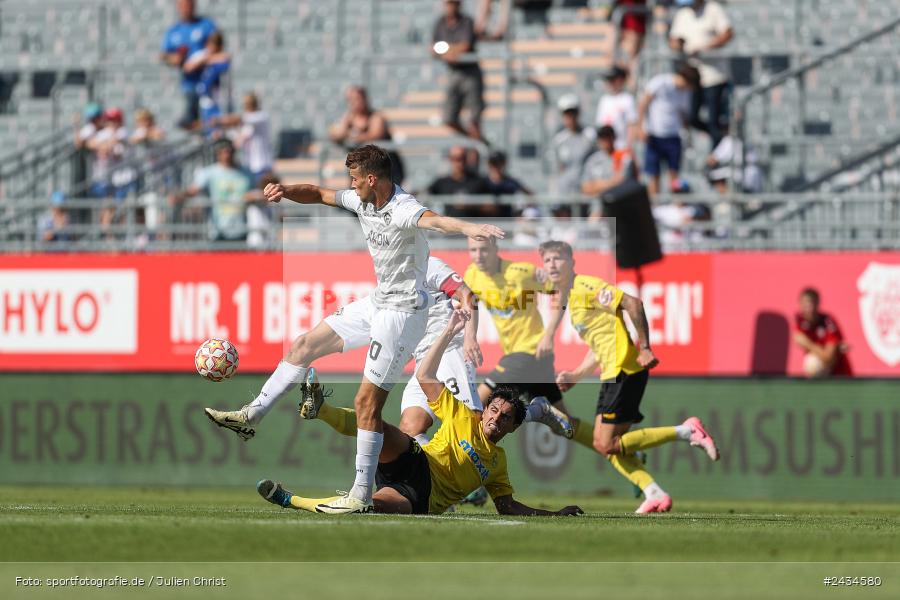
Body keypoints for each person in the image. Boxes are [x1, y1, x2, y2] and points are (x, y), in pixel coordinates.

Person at [205, 144, 504, 514]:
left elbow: (437, 220)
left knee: (367, 403)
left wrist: (472, 228)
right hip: (377, 302)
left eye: (354, 178)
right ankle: (253, 414)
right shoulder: (362, 201)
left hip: (403, 315)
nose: (351, 184)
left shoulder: (403, 208)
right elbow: (317, 193)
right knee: (304, 344)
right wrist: (283, 190)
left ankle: (360, 494)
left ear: (372, 179)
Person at [259, 309, 584, 517]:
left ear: (513, 428)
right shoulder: (464, 415)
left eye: (504, 419)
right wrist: (447, 332)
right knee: (379, 425)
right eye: (493, 411)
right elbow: (426, 377)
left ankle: (291, 501)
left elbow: (508, 507)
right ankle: (321, 409)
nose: (495, 420)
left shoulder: (498, 464)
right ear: (485, 410)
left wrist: (555, 513)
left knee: (371, 506)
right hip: (416, 459)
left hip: (420, 494)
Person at [540, 240, 720, 513]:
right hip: (612, 371)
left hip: (625, 368)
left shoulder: (586, 287)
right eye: (547, 260)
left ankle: (687, 431)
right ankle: (654, 492)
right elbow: (599, 345)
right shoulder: (569, 299)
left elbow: (633, 303)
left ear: (571, 262)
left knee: (607, 443)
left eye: (558, 258)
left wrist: (645, 347)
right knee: (606, 445)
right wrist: (576, 374)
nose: (552, 265)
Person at [463, 237, 573, 438]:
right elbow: (470, 301)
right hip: (530, 358)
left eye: (484, 249)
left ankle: (538, 412)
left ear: (495, 248)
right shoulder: (472, 274)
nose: (478, 255)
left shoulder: (521, 272)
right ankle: (610, 445)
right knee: (566, 426)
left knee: (475, 407)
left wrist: (549, 335)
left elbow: (561, 290)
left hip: (528, 352)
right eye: (473, 250)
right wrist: (470, 336)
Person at [669, 0, 734, 148]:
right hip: (693, 77)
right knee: (692, 118)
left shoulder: (713, 9)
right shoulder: (683, 14)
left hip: (714, 76)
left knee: (714, 120)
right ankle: (722, 140)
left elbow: (727, 33)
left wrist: (705, 47)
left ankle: (718, 154)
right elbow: (673, 39)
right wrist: (677, 44)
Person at [168, 139, 255, 242]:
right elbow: (193, 190)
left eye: (228, 151)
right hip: (217, 229)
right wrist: (180, 196)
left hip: (242, 227)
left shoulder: (247, 173)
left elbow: (256, 191)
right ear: (217, 154)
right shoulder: (209, 172)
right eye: (222, 152)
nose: (226, 155)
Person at [637, 63, 699, 196]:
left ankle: (676, 206)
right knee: (654, 174)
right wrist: (641, 127)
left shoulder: (685, 92)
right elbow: (643, 104)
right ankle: (654, 206)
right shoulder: (660, 82)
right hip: (654, 135)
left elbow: (683, 114)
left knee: (674, 173)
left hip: (673, 136)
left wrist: (688, 134)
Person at [433, 0, 485, 141]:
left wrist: (446, 51)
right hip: (453, 73)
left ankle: (477, 149)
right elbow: (433, 48)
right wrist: (451, 53)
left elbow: (465, 46)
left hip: (470, 73)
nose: (451, 6)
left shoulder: (467, 21)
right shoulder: (440, 23)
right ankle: (475, 142)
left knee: (474, 119)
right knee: (449, 118)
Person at [329, 86, 404, 185]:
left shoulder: (376, 116)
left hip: (384, 168)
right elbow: (336, 133)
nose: (354, 103)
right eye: (350, 100)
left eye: (357, 99)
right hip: (362, 169)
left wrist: (352, 137)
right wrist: (341, 134)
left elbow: (375, 134)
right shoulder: (349, 117)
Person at [160, 0, 217, 130]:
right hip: (188, 82)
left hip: (209, 80)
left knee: (209, 117)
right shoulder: (174, 30)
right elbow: (164, 54)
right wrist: (174, 59)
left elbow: (216, 46)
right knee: (191, 119)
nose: (187, 8)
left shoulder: (206, 25)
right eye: (183, 5)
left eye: (189, 4)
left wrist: (199, 61)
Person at [793, 288, 853, 378]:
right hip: (819, 376)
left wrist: (807, 343)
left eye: (812, 303)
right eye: (805, 304)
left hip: (839, 375)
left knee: (813, 362)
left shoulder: (828, 323)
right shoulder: (800, 322)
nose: (809, 308)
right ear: (800, 304)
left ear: (818, 303)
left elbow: (828, 357)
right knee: (812, 363)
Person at [183, 30, 231, 135]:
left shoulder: (220, 60)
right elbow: (188, 67)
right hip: (204, 96)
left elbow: (226, 58)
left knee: (216, 129)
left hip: (216, 97)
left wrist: (208, 59)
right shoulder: (203, 54)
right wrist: (206, 60)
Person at [549, 94, 596, 197]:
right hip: (566, 189)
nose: (570, 117)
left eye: (573, 113)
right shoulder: (559, 139)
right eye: (566, 114)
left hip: (586, 189)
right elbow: (558, 168)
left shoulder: (590, 135)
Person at [426, 145, 491, 217]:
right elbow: (424, 195)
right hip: (450, 226)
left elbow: (493, 207)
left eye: (462, 158)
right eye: (455, 158)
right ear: (450, 159)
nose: (459, 162)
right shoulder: (441, 183)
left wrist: (470, 205)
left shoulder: (478, 181)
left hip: (472, 225)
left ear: (466, 159)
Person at [705, 122, 763, 194]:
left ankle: (729, 201)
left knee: (714, 176)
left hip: (744, 174)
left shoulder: (730, 140)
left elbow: (712, 160)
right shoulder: (746, 138)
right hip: (752, 174)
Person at [581, 125, 637, 199]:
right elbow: (585, 188)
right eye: (602, 138)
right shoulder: (592, 160)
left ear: (613, 138)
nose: (605, 141)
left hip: (619, 201)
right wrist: (609, 183)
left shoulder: (623, 157)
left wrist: (597, 184)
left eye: (607, 137)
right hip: (599, 203)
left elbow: (621, 183)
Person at [595, 66, 638, 151]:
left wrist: (628, 147)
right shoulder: (604, 100)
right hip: (606, 149)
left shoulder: (627, 99)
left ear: (621, 80)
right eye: (608, 80)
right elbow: (601, 125)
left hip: (621, 147)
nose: (610, 83)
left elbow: (631, 126)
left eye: (612, 79)